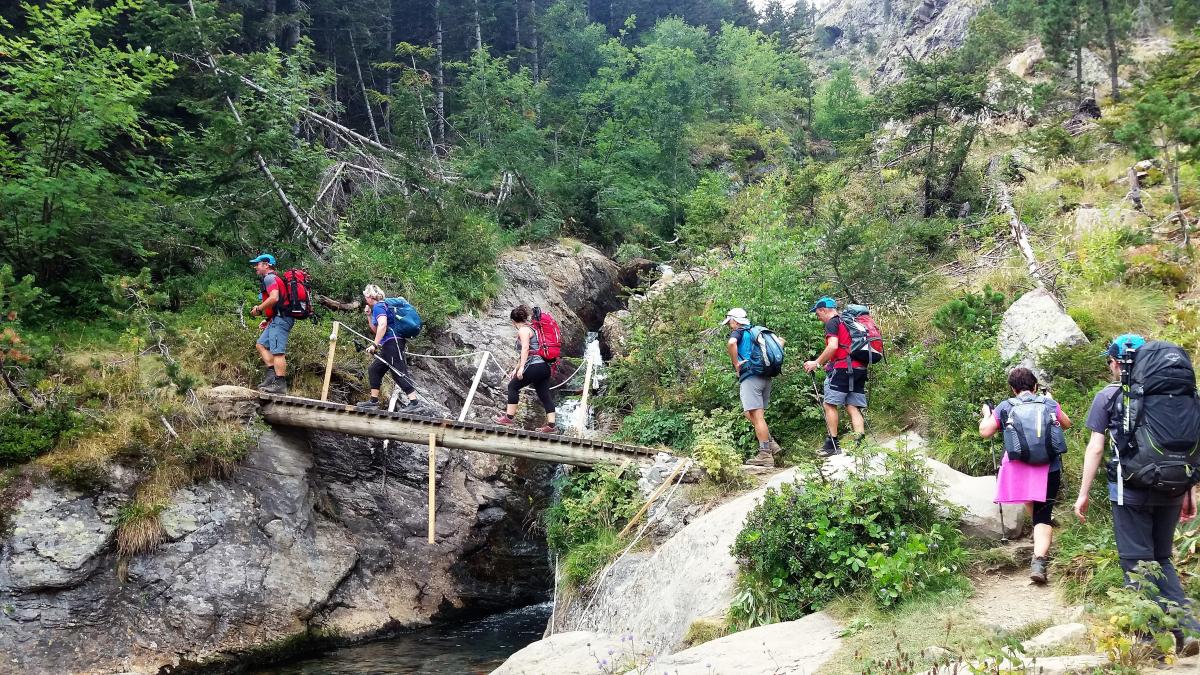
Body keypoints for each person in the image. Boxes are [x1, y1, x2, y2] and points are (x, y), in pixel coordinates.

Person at [1075, 334, 1200, 656]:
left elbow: (1096, 447)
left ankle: (1150, 640)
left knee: (1135, 562)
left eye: (1110, 362)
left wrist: (1083, 493)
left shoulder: (1108, 396)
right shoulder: (1179, 397)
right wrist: (1190, 490)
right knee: (1162, 559)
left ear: (1117, 363)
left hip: (1130, 491)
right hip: (1173, 488)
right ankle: (1187, 629)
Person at [979, 367, 1073, 584]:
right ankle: (1039, 560)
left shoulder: (1005, 406)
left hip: (1017, 467)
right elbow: (1066, 424)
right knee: (1043, 515)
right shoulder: (1048, 403)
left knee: (1036, 509)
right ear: (1035, 386)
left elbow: (985, 432)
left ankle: (1040, 540)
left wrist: (986, 413)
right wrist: (1053, 403)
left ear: (1013, 389)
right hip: (1048, 467)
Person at [803, 297, 866, 455]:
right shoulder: (849, 321)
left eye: (818, 314)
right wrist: (831, 362)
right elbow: (845, 348)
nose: (819, 318)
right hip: (859, 368)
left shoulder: (832, 322)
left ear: (824, 310)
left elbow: (833, 346)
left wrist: (816, 363)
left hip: (844, 368)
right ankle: (861, 445)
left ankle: (832, 444)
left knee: (829, 404)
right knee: (852, 406)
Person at [723, 308, 782, 467]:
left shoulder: (739, 332)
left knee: (757, 416)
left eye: (730, 322)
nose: (730, 325)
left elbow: (731, 343)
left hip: (750, 376)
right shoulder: (758, 331)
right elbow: (781, 341)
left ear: (735, 320)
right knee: (749, 414)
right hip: (766, 376)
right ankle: (771, 443)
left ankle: (765, 454)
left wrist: (736, 363)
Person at [356, 285, 419, 410]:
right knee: (374, 369)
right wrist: (369, 315)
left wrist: (374, 345)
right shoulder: (379, 307)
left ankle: (415, 402)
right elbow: (377, 329)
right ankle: (373, 401)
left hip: (393, 342)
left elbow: (383, 325)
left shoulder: (379, 306)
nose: (365, 299)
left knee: (398, 372)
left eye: (365, 296)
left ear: (370, 296)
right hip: (388, 343)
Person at [495, 305, 556, 433]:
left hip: (534, 366)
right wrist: (516, 368)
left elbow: (526, 349)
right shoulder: (534, 329)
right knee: (544, 395)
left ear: (513, 321)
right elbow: (531, 352)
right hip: (544, 367)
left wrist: (522, 368)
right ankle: (551, 426)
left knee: (513, 386)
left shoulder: (523, 330)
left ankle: (509, 418)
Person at [249, 253, 293, 395]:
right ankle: (271, 375)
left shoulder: (270, 278)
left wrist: (259, 309)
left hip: (281, 319)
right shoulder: (272, 278)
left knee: (278, 352)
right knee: (260, 344)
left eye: (258, 264)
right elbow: (279, 302)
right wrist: (268, 319)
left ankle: (280, 385)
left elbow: (274, 298)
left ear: (266, 265)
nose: (256, 266)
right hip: (277, 318)